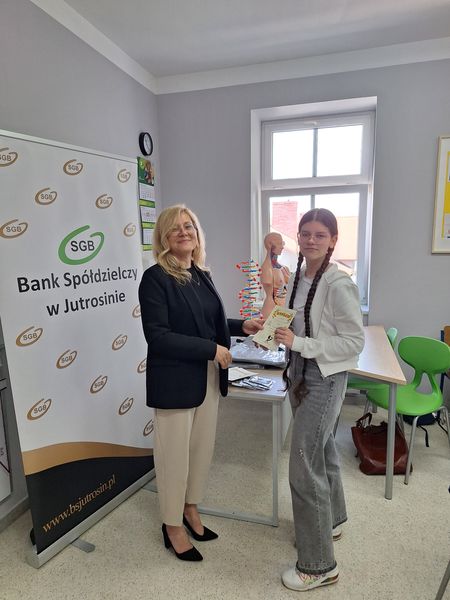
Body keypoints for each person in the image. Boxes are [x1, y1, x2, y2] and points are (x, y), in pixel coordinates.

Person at [138, 204, 264, 562]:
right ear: (163, 237)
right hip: (175, 381)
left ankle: (190, 508)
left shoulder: (200, 273)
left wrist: (241, 326)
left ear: (197, 234)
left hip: (207, 375)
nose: (183, 232)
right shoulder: (155, 278)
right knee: (174, 458)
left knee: (200, 451)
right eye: (175, 228)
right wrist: (212, 349)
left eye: (189, 226)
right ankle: (172, 525)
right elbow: (158, 337)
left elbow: (207, 321)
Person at [273, 208, 364, 592]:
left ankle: (318, 565)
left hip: (324, 378)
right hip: (299, 372)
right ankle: (331, 521)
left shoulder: (338, 283)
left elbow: (354, 343)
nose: (311, 240)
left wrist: (301, 343)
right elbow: (294, 323)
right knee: (322, 451)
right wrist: (271, 330)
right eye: (305, 233)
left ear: (332, 240)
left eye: (320, 235)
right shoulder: (298, 276)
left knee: (302, 464)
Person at [260, 232, 290, 318]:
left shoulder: (284, 268)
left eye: (282, 243)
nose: (282, 247)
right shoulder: (266, 269)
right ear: (270, 245)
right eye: (280, 244)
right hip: (271, 309)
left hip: (284, 310)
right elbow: (268, 283)